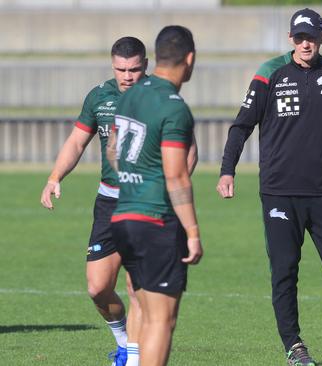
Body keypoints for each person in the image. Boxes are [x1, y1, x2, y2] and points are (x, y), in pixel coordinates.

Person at [216, 8, 322, 366]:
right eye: (300, 37)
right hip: (279, 192)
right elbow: (242, 125)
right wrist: (228, 170)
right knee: (285, 270)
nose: (307, 43)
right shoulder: (269, 73)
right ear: (291, 39)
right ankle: (294, 346)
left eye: (313, 37)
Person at [40, 36, 148, 366]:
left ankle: (134, 358)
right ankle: (123, 343)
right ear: (112, 65)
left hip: (146, 204)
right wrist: (55, 177)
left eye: (134, 69)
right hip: (108, 203)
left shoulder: (160, 97)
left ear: (146, 64)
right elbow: (77, 141)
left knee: (137, 288)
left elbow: (185, 150)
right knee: (98, 288)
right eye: (121, 69)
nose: (127, 76)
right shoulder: (99, 96)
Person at [108, 25, 202, 366]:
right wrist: (192, 232)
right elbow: (177, 174)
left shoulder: (131, 95)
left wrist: (135, 180)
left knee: (148, 314)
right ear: (189, 60)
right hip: (156, 222)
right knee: (163, 320)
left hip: (122, 218)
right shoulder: (175, 107)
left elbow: (113, 151)